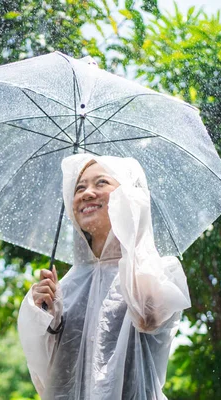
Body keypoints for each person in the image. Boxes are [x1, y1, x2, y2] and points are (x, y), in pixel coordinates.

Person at [17, 154, 191, 399]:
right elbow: (47, 376)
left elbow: (148, 319)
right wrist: (43, 317)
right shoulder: (64, 288)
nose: (87, 193)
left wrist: (133, 233)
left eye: (101, 183)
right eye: (79, 187)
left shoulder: (156, 271)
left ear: (128, 196)